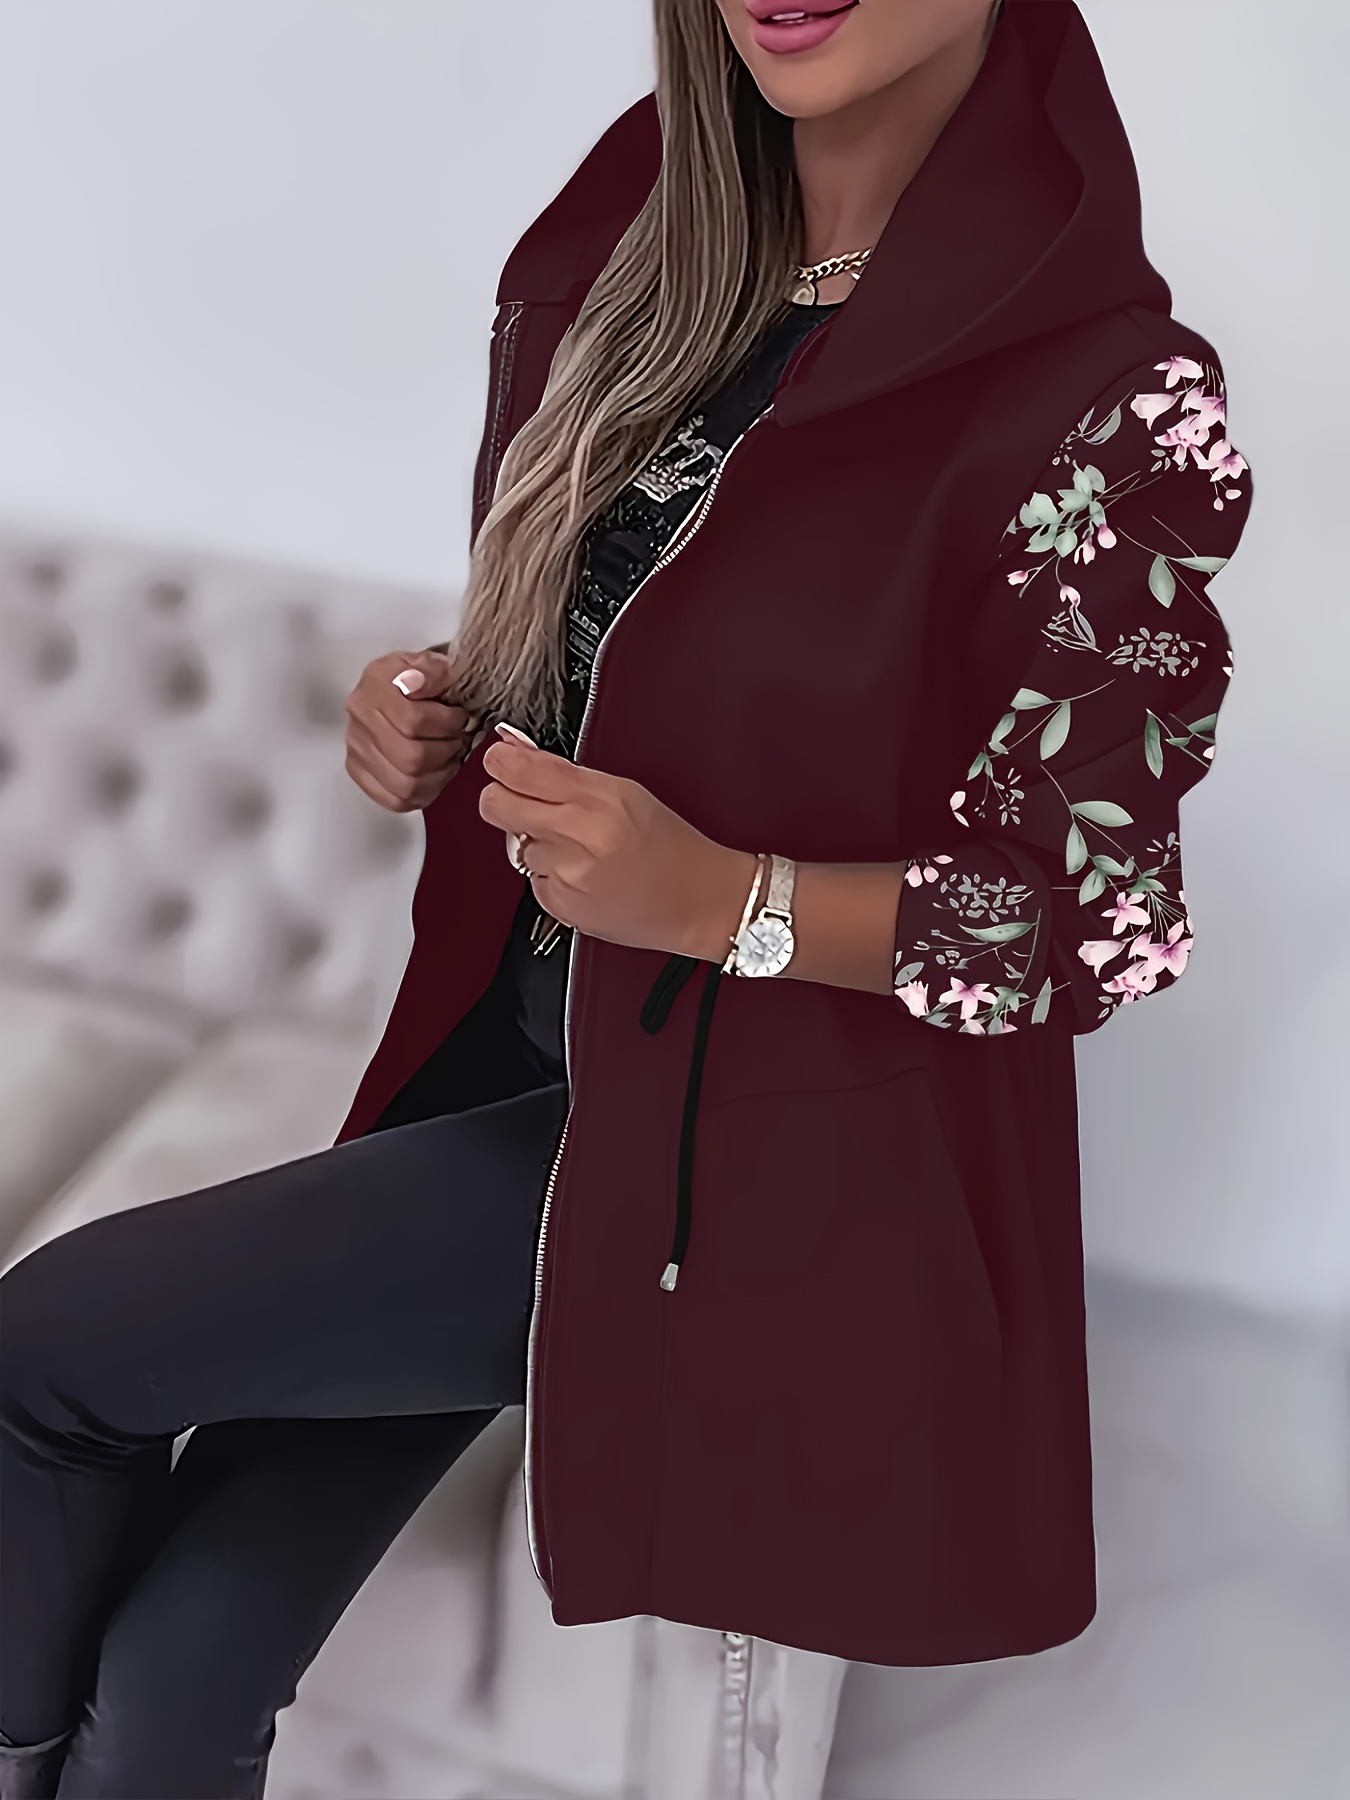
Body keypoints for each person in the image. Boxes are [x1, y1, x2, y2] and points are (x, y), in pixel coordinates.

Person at [0, 1, 1251, 1793]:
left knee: (40, 1355)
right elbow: (665, 659)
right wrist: (442, 703)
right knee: (188, 1659)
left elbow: (1093, 915)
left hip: (741, 1162)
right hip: (508, 1064)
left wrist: (728, 901)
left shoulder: (1110, 400)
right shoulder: (654, 267)